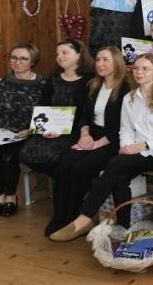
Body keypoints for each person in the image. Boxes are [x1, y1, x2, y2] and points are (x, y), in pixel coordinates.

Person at [50, 53, 153, 241]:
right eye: (136, 68)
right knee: (119, 175)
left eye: (145, 69)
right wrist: (126, 147)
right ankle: (124, 228)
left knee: (116, 164)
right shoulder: (129, 98)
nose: (139, 72)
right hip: (134, 152)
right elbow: (125, 129)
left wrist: (142, 145)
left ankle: (84, 218)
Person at [47, 46, 131, 235]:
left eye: (105, 60)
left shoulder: (126, 89)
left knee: (80, 168)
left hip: (112, 140)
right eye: (98, 59)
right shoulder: (93, 85)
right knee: (63, 165)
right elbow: (84, 115)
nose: (99, 64)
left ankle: (76, 218)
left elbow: (123, 126)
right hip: (91, 135)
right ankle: (59, 217)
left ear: (117, 62)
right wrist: (85, 135)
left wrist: (96, 144)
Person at [0, 43, 46, 218]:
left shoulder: (43, 84)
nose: (17, 62)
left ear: (33, 61)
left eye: (23, 58)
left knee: (8, 158)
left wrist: (30, 130)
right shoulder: (1, 83)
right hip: (3, 133)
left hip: (28, 134)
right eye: (14, 57)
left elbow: (47, 115)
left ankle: (11, 197)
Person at [20, 39, 94, 177]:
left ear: (79, 54)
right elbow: (43, 105)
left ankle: (63, 184)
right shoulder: (53, 78)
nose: (59, 56)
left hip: (77, 131)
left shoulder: (90, 79)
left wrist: (64, 130)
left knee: (57, 156)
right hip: (51, 130)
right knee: (27, 153)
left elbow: (87, 112)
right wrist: (43, 130)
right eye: (57, 54)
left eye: (64, 52)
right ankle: (60, 182)